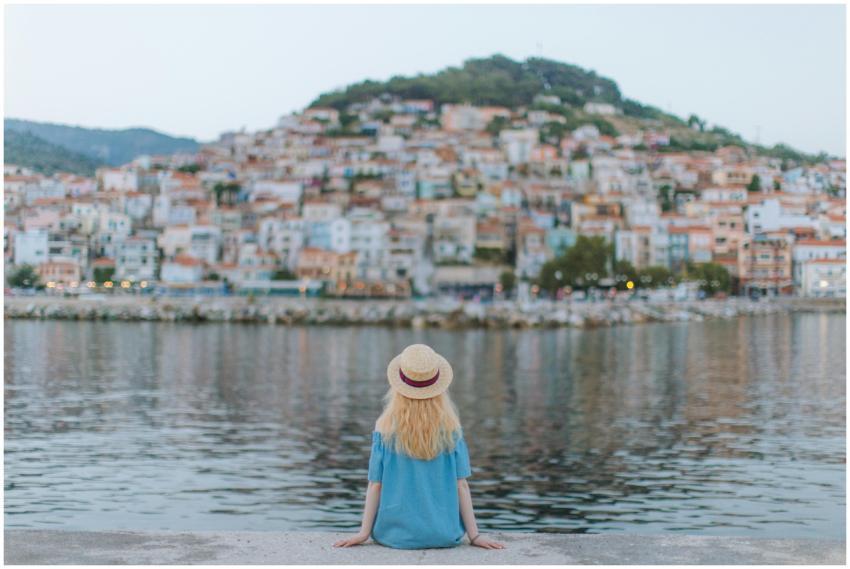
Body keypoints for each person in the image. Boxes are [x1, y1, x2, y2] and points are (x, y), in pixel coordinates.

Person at [334, 344, 505, 550]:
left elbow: (375, 485)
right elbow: (461, 485)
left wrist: (363, 533)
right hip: (445, 534)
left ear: (398, 385)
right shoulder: (452, 429)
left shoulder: (385, 428)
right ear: (439, 386)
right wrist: (475, 535)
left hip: (394, 536)